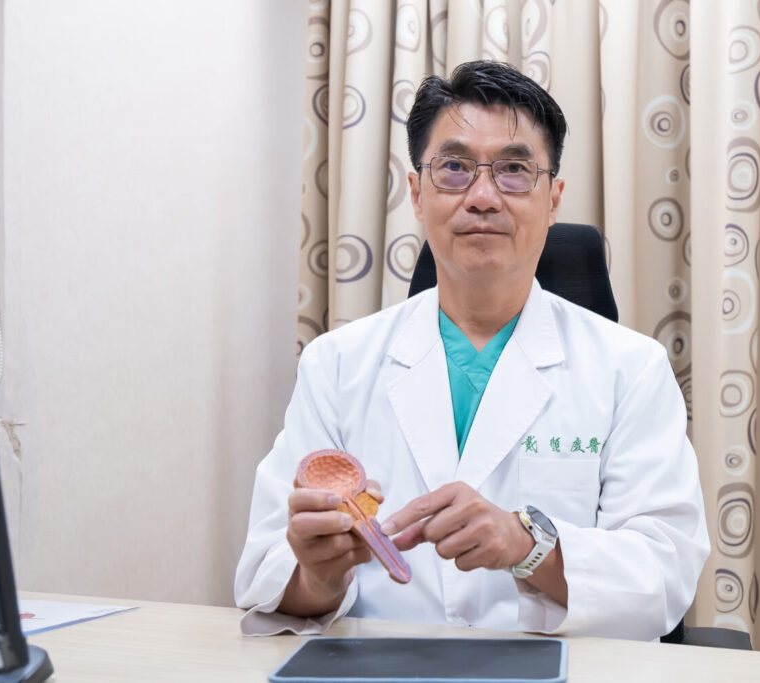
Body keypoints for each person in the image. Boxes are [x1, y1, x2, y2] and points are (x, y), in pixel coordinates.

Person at [234, 60, 709, 640]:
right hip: (380, 671)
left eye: (514, 171)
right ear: (416, 194)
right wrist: (318, 576)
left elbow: (663, 574)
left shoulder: (631, 369)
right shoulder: (336, 364)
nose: (483, 197)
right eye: (455, 168)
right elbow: (264, 572)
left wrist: (529, 545)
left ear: (553, 199)